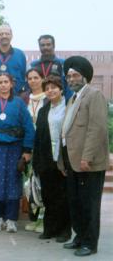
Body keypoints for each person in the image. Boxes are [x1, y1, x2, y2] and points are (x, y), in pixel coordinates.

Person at [59, 56, 109, 257]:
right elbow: (67, 131)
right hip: (72, 161)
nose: (71, 79)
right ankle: (79, 237)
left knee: (89, 204)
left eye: (75, 75)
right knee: (76, 202)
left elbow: (97, 130)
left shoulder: (94, 95)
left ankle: (90, 242)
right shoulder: (73, 98)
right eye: (69, 76)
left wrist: (86, 157)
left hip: (88, 163)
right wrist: (63, 160)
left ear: (85, 77)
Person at [0, 72, 34, 233]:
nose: (3, 85)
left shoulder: (18, 103)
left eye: (6, 82)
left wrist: (27, 150)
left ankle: (11, 219)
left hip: (13, 149)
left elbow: (28, 127)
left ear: (11, 84)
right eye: (0, 82)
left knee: (12, 182)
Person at [32, 75, 71, 243]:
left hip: (64, 158)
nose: (50, 91)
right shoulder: (43, 111)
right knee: (48, 196)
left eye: (54, 87)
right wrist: (37, 163)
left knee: (63, 196)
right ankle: (50, 229)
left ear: (61, 89)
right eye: (47, 88)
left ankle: (64, 231)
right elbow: (38, 138)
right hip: (47, 159)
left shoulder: (69, 107)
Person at [23, 68, 47, 234]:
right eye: (30, 78)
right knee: (29, 184)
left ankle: (45, 220)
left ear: (42, 79)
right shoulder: (24, 99)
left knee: (43, 184)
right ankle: (34, 218)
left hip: (44, 147)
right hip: (27, 147)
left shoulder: (49, 97)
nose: (33, 81)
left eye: (36, 77)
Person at [0, 24, 27, 95]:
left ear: (11, 36)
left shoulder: (20, 54)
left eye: (7, 34)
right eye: (1, 34)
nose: (4, 36)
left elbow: (23, 76)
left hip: (16, 96)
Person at [30, 34, 73, 100]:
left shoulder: (63, 63)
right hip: (38, 100)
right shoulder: (33, 65)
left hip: (58, 101)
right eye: (42, 45)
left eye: (48, 44)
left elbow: (68, 85)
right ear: (39, 47)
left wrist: (67, 102)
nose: (45, 47)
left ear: (54, 46)